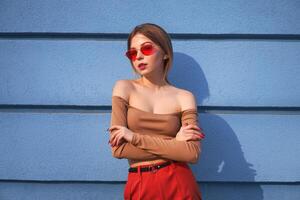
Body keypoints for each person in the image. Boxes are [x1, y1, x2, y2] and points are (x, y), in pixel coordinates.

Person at [108, 23, 205, 200]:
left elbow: (191, 153)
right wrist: (175, 142)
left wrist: (134, 137)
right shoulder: (124, 88)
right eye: (132, 53)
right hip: (139, 183)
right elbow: (119, 149)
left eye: (146, 49)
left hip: (179, 182)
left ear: (166, 53)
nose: (138, 57)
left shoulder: (184, 97)